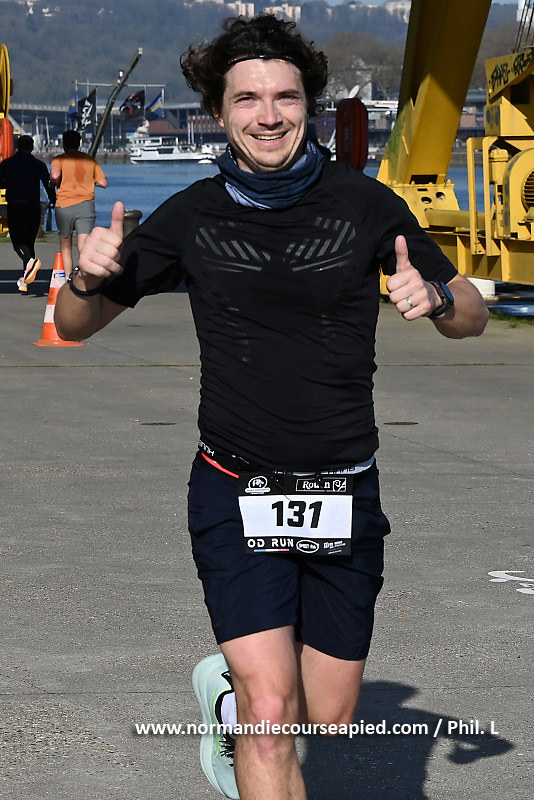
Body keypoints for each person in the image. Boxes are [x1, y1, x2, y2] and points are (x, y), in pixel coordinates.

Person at [54, 15, 489, 800]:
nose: (268, 115)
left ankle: (226, 692)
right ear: (218, 113)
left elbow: (472, 314)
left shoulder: (366, 206)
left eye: (285, 97)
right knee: (269, 716)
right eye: (247, 99)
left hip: (343, 490)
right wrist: (86, 277)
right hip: (234, 485)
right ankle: (247, 701)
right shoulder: (191, 217)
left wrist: (437, 300)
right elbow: (75, 325)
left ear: (308, 107)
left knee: (328, 719)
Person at [0, 135, 56, 293]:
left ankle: (29, 263)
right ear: (31, 147)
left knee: (18, 243)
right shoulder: (38, 165)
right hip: (33, 207)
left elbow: (0, 182)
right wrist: (54, 201)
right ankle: (25, 280)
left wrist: (9, 183)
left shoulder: (7, 164)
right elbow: (48, 184)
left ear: (18, 146)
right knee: (29, 243)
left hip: (15, 206)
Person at [50, 129, 108, 277]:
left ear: (64, 144)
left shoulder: (58, 160)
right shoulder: (89, 160)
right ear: (79, 143)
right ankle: (85, 277)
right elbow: (103, 183)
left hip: (64, 205)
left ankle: (68, 279)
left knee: (66, 246)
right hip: (85, 205)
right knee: (83, 246)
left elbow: (55, 176)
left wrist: (52, 183)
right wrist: (89, 181)